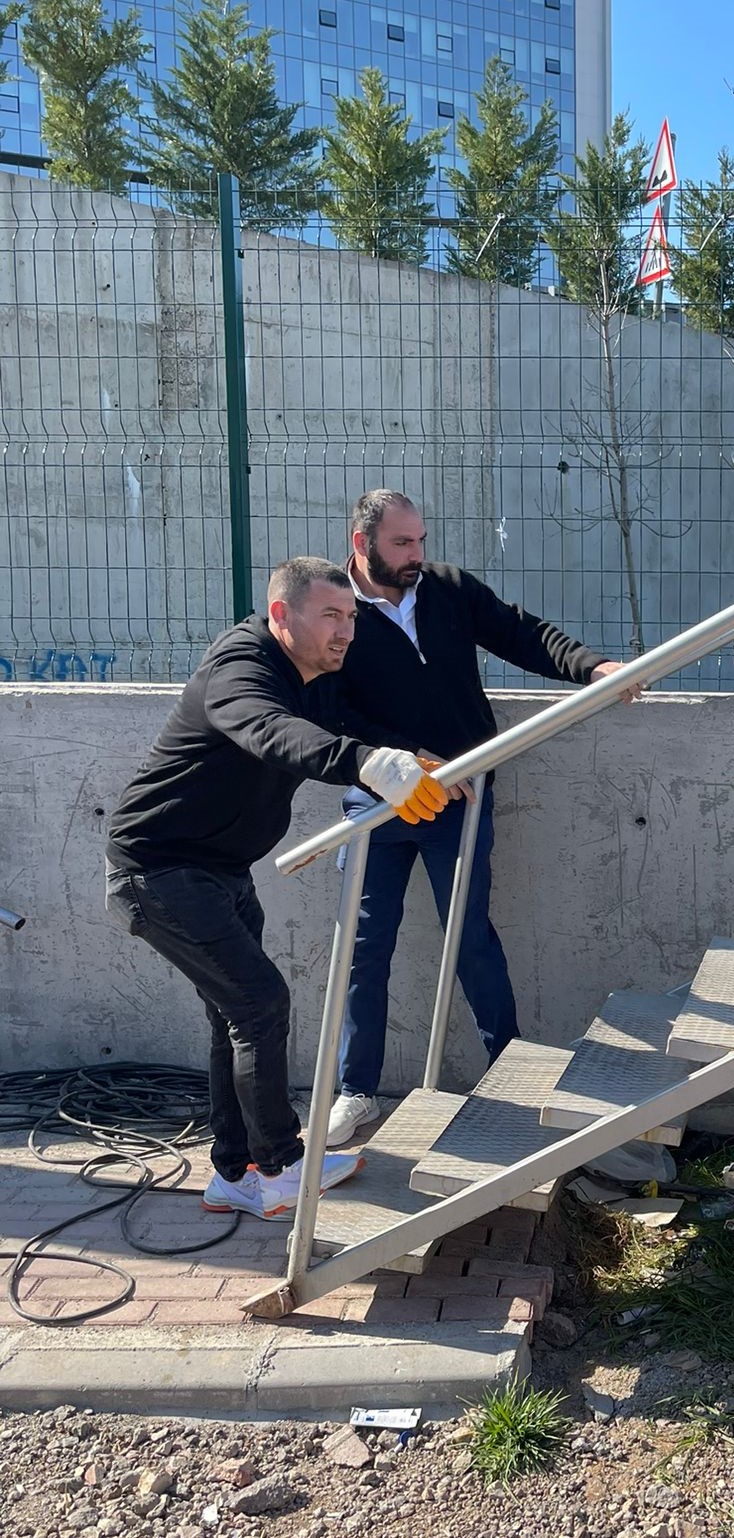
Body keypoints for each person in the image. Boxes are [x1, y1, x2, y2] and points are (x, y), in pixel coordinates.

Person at [105, 558, 449, 1222]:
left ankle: (235, 1173)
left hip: (220, 871)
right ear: (281, 615)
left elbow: (344, 726)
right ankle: (283, 1167)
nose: (346, 631)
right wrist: (367, 765)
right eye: (330, 616)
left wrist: (413, 757)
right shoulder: (241, 670)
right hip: (157, 871)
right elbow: (271, 731)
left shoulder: (313, 676)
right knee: (261, 1003)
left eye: (350, 616)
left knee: (230, 1018)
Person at [326, 489, 637, 1146]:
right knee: (363, 948)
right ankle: (356, 1093)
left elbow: (521, 633)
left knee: (470, 939)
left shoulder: (445, 588)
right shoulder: (335, 610)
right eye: (401, 544)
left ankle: (510, 1076)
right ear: (361, 545)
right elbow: (328, 712)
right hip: (378, 803)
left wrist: (593, 668)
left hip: (457, 800)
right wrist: (404, 759)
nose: (417, 556)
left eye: (421, 541)